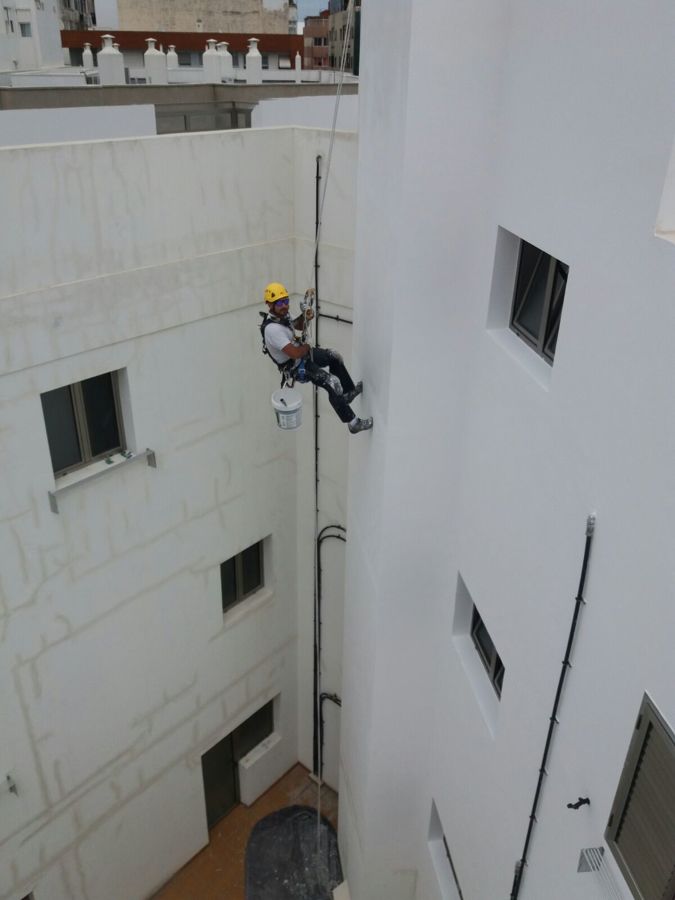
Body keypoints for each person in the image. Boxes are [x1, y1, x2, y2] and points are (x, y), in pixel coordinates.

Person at [261, 282, 373, 434]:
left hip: (303, 355)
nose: (285, 305)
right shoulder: (272, 330)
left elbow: (298, 325)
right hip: (295, 366)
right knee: (332, 383)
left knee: (334, 356)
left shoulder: (283, 316)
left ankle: (347, 394)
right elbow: (295, 353)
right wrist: (307, 347)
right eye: (280, 303)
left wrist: (306, 316)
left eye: (286, 301)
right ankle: (353, 423)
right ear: (269, 305)